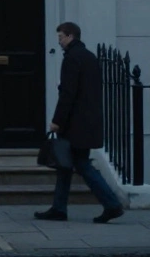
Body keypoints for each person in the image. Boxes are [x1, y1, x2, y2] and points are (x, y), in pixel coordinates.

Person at [34, 22, 125, 223]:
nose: (59, 42)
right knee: (65, 166)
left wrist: (57, 121)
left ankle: (111, 204)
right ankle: (59, 208)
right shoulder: (89, 57)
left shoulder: (72, 59)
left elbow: (68, 93)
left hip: (75, 123)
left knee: (81, 164)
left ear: (70, 36)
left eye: (60, 37)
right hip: (88, 121)